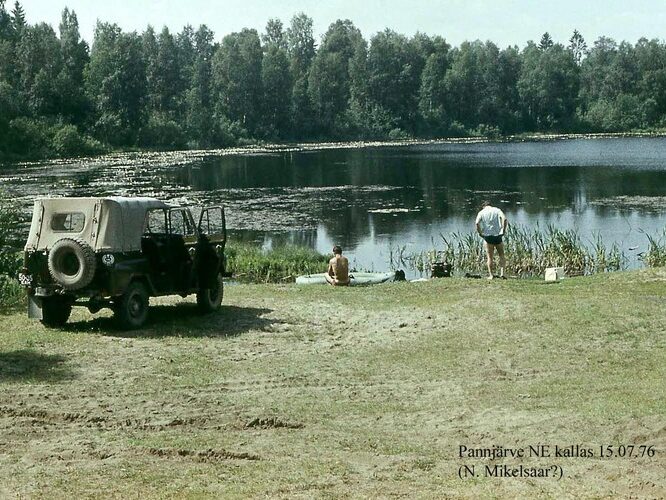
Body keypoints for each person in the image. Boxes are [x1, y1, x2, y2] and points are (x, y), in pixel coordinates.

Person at [475, 201, 508, 280]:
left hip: (488, 236)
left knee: (490, 257)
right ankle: (502, 273)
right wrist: (503, 230)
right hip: (498, 235)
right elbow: (505, 219)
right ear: (490, 205)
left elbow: (477, 223)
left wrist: (480, 233)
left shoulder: (481, 212)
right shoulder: (497, 210)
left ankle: (491, 275)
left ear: (483, 206)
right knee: (501, 255)